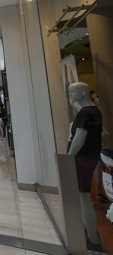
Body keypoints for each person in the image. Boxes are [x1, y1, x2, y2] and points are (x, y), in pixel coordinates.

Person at [67, 82, 103, 252]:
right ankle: (90, 232)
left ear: (82, 93)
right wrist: (75, 104)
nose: (70, 96)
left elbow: (79, 138)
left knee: (84, 197)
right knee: (84, 196)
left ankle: (93, 238)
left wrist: (68, 157)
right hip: (90, 156)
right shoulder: (94, 111)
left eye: (72, 93)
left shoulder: (86, 113)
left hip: (82, 158)